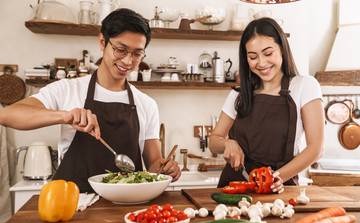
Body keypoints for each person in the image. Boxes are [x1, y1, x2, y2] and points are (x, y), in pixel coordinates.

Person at [0, 8, 181, 192]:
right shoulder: (67, 89)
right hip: (73, 204)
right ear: (102, 42)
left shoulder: (146, 104)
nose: (128, 61)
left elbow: (154, 166)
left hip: (128, 207)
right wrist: (65, 116)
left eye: (137, 54)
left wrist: (165, 169)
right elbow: (7, 115)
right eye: (121, 50)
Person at [209, 17, 325, 193]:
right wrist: (228, 143)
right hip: (235, 185)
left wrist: (276, 177)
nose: (261, 63)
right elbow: (213, 141)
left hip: (280, 186)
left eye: (268, 53)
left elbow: (316, 148)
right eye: (253, 57)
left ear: (282, 49)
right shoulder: (239, 94)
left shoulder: (304, 85)